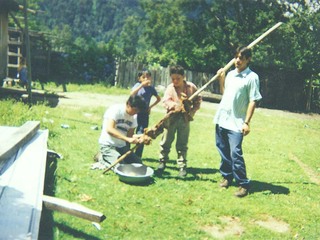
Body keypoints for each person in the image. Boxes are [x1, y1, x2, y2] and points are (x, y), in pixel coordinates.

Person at [214, 46, 262, 197]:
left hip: (236, 122)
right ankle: (227, 177)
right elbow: (225, 93)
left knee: (235, 153)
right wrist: (222, 79)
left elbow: (253, 101)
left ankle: (243, 184)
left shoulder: (252, 77)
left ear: (248, 59)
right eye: (236, 57)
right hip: (222, 119)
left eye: (241, 58)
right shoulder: (230, 75)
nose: (238, 60)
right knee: (223, 150)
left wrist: (246, 122)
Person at [157, 65, 201, 177]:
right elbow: (165, 101)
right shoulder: (170, 88)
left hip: (185, 120)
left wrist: (192, 112)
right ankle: (162, 161)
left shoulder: (191, 87)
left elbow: (198, 100)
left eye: (178, 78)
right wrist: (174, 105)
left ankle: (182, 166)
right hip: (171, 119)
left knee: (182, 143)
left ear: (183, 77)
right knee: (166, 141)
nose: (175, 81)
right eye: (173, 79)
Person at [91, 95, 149, 171]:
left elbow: (130, 136)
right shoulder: (115, 110)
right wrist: (127, 139)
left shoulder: (134, 116)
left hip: (121, 146)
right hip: (108, 145)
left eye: (138, 111)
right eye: (135, 110)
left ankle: (109, 157)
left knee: (138, 163)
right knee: (120, 167)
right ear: (128, 104)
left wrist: (140, 138)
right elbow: (109, 129)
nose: (135, 113)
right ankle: (101, 157)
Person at [130, 70, 161, 157]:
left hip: (144, 113)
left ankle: (138, 155)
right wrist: (141, 86)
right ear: (139, 79)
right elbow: (131, 94)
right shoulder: (137, 86)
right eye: (144, 77)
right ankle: (126, 151)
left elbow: (158, 99)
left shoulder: (151, 88)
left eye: (148, 77)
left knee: (142, 132)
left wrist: (150, 107)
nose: (146, 79)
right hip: (134, 112)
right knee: (130, 131)